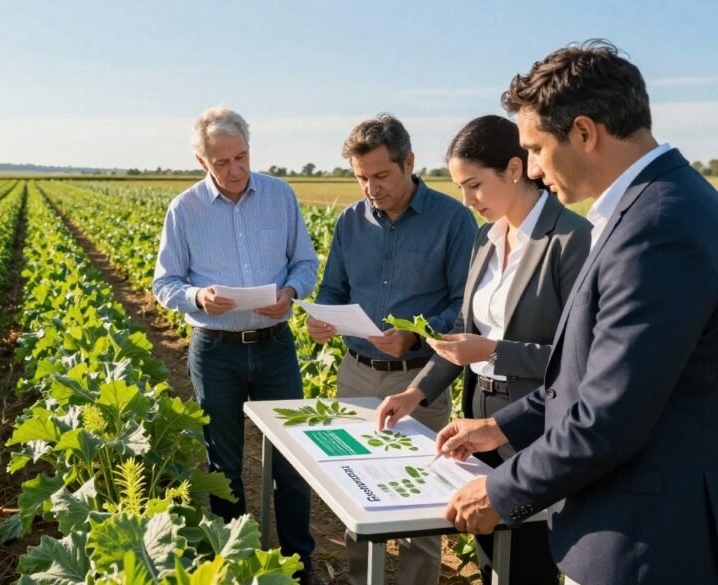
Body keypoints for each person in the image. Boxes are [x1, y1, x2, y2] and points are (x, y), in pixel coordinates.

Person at [436, 40, 718, 585]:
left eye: (536, 149)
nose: (535, 171)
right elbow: (592, 375)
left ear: (585, 133)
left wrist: (501, 490)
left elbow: (610, 417)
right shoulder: (660, 204)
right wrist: (499, 426)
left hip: (650, 542)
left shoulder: (657, 227)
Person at [375, 114, 591, 584]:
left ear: (514, 169)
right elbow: (461, 331)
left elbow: (579, 357)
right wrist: (417, 392)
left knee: (529, 563)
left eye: (474, 185)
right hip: (477, 419)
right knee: (490, 551)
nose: (467, 200)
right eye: (459, 187)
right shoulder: (485, 238)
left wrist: (494, 351)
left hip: (536, 426)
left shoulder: (571, 240)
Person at [152, 106, 322, 584]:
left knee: (290, 457)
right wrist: (196, 297)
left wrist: (291, 293)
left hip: (274, 346)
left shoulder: (280, 197)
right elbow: (164, 282)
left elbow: (304, 264)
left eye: (241, 157)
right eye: (221, 162)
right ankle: (232, 563)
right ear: (202, 161)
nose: (234, 170)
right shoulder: (184, 210)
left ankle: (299, 563)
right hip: (215, 349)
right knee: (224, 465)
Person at [307, 114, 478, 585]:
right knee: (356, 489)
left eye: (381, 176)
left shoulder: (453, 220)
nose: (371, 189)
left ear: (409, 163)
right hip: (356, 373)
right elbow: (333, 288)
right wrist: (320, 319)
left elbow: (464, 305)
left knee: (420, 497)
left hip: (419, 379)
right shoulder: (350, 221)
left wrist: (415, 337)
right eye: (362, 178)